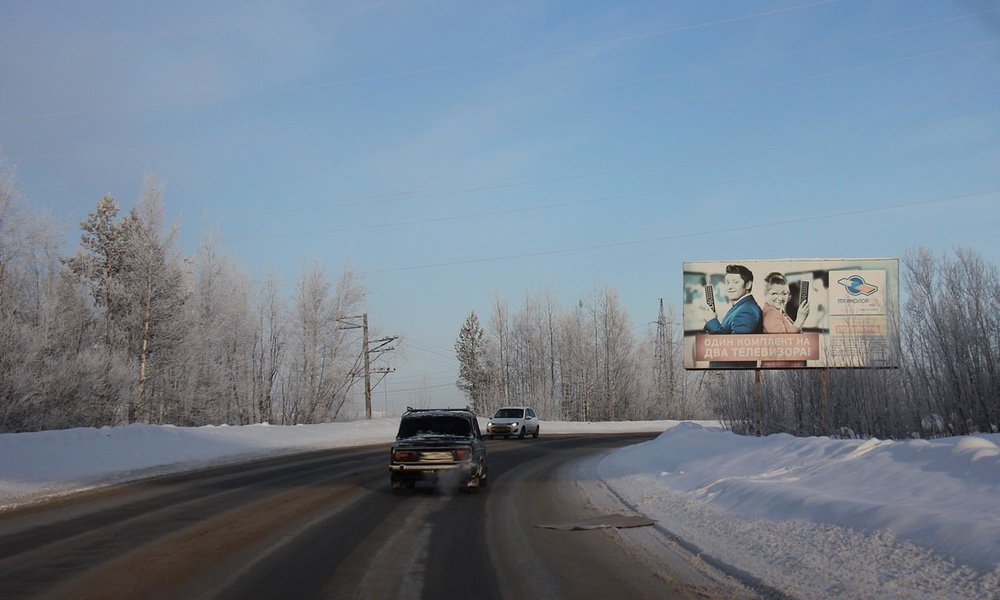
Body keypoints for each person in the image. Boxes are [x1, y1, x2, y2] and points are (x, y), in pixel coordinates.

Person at [703, 264, 762, 368]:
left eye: (735, 282)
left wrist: (712, 322)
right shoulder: (741, 307)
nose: (730, 287)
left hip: (734, 374)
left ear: (748, 285)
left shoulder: (747, 310)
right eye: (728, 282)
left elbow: (735, 348)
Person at [760, 272, 811, 368]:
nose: (780, 298)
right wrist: (800, 319)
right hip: (778, 371)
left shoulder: (780, 312)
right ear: (766, 294)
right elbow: (784, 344)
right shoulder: (771, 314)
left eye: (784, 293)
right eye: (774, 293)